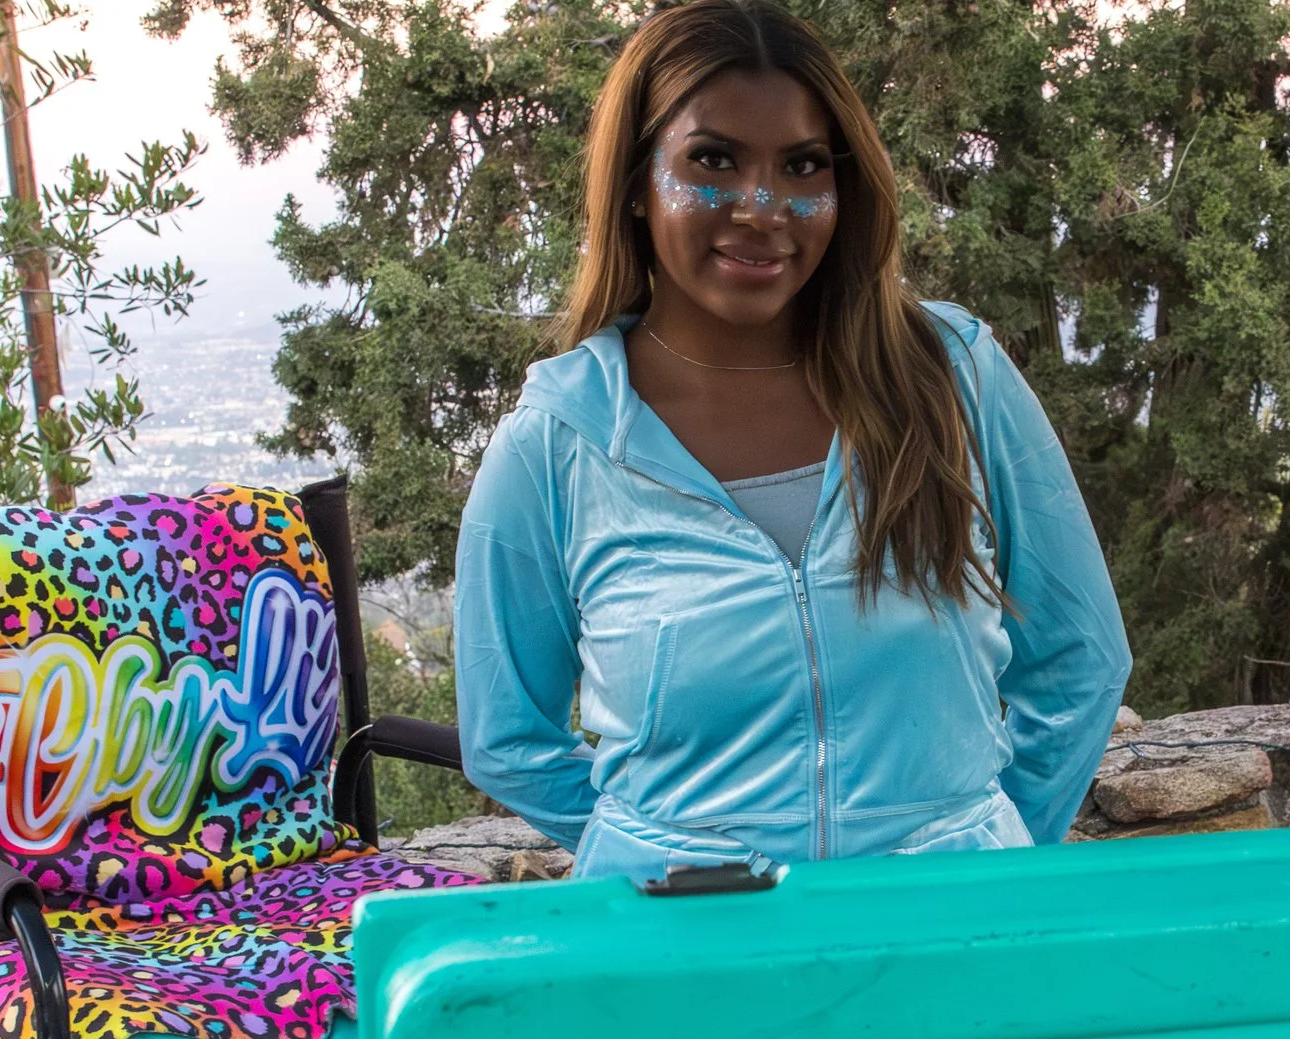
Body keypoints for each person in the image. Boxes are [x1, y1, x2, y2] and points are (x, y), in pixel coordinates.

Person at [453, 0, 1133, 881]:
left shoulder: (951, 376)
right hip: (686, 966)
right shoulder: (557, 438)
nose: (762, 208)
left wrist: (988, 865)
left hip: (946, 947)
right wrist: (659, 858)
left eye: (803, 166)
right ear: (633, 178)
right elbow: (506, 736)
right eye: (712, 161)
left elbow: (1082, 659)